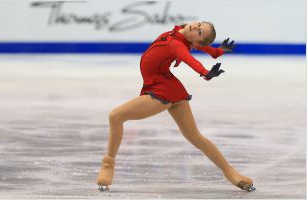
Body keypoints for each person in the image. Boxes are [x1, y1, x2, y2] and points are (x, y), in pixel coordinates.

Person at [96, 21, 255, 192]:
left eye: (200, 32)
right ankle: (231, 173)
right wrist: (218, 51)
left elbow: (189, 59)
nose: (196, 27)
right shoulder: (180, 32)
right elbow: (199, 47)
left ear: (196, 41)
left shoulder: (176, 45)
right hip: (170, 85)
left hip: (161, 90)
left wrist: (205, 73)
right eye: (199, 24)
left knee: (116, 116)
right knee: (194, 136)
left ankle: (108, 164)